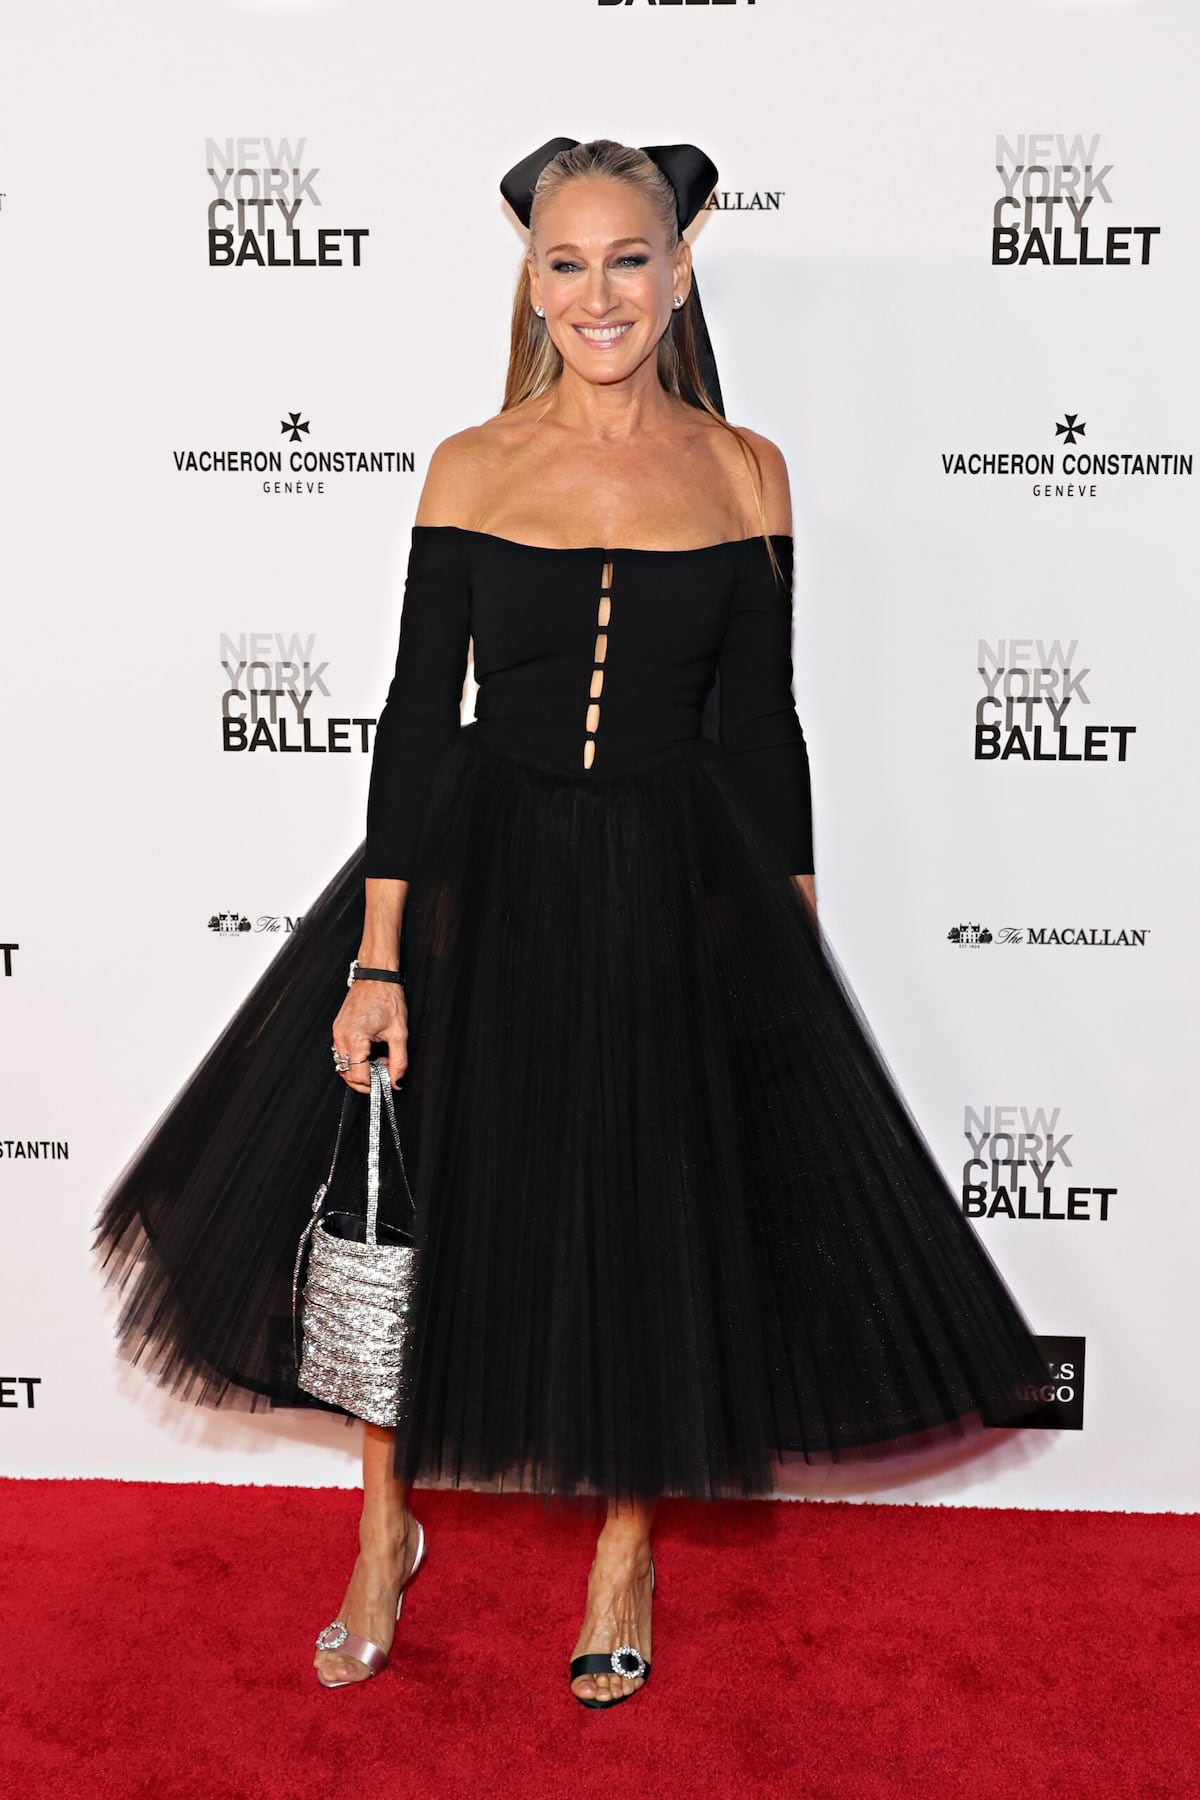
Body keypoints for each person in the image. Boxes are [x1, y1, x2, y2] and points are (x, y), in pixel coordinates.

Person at [95, 137, 1050, 1711]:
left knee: (642, 1204)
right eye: (566, 262)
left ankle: (624, 1548)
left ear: (679, 271)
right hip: (484, 871)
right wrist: (378, 956)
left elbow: (766, 728)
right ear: (531, 283)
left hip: (675, 877)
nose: (598, 292)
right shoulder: (470, 466)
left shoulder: (747, 471)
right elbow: (418, 718)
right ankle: (383, 1527)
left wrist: (792, 946)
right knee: (417, 1207)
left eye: (628, 258)